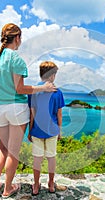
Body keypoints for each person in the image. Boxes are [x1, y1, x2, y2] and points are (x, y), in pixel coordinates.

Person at [0, 23, 56, 198]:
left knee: (2, 148)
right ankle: (8, 188)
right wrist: (43, 88)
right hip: (16, 108)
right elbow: (20, 89)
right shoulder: (17, 59)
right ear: (17, 38)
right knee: (13, 151)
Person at [28, 61, 65, 195]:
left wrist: (30, 130)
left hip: (37, 130)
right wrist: (59, 131)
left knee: (37, 158)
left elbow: (32, 113)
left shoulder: (33, 91)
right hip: (52, 130)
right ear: (52, 75)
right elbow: (59, 114)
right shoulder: (58, 92)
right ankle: (50, 184)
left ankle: (36, 185)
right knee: (51, 158)